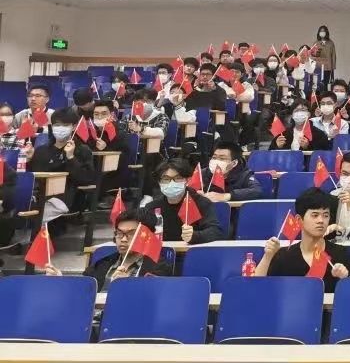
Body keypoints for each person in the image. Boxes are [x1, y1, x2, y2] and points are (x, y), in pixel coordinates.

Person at [255, 188, 350, 291]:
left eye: (325, 215)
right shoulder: (284, 256)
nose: (321, 220)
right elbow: (257, 288)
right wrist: (267, 257)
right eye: (315, 215)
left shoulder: (341, 254)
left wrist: (345, 277)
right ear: (299, 220)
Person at [43, 208, 172, 287]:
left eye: (131, 234)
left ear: (146, 236)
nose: (123, 239)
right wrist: (60, 281)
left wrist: (126, 286)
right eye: (119, 233)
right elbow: (82, 290)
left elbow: (153, 301)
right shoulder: (102, 263)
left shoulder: (158, 268)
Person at [28, 107, 95, 208]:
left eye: (65, 125)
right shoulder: (41, 150)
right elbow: (32, 177)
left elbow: (86, 179)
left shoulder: (82, 150)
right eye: (57, 125)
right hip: (38, 197)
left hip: (65, 199)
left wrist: (71, 158)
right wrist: (28, 161)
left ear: (74, 127)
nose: (60, 128)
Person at [144, 159, 224, 244]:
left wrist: (195, 236)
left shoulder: (202, 203)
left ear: (187, 180)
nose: (171, 183)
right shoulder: (152, 207)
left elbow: (215, 231)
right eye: (166, 179)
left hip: (192, 251)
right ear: (159, 182)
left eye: (178, 178)